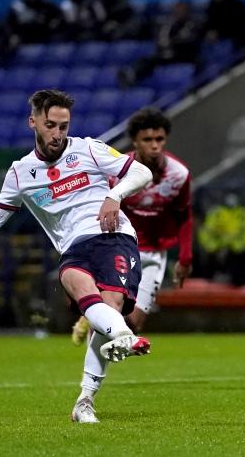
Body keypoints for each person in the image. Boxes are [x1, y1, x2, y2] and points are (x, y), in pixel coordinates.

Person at [0, 90, 153, 424]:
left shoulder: (89, 149)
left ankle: (86, 397)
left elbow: (142, 173)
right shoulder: (21, 173)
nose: (58, 133)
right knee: (75, 282)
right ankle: (122, 338)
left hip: (114, 236)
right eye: (50, 125)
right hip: (75, 246)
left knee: (107, 311)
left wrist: (114, 194)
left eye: (63, 126)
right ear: (33, 122)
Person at [71, 107, 193, 343]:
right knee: (111, 313)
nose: (155, 145)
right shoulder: (116, 172)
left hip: (155, 254)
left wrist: (185, 258)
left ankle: (91, 317)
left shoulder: (179, 174)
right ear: (135, 142)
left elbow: (184, 215)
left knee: (134, 323)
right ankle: (92, 375)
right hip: (121, 248)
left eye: (159, 139)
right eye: (147, 139)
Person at [118, 1, 201, 87]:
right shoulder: (171, 25)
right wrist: (169, 42)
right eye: (176, 11)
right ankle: (132, 74)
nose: (177, 13)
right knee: (149, 59)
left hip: (185, 55)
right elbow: (162, 39)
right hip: (169, 54)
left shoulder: (192, 24)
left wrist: (171, 42)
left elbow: (186, 41)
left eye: (180, 11)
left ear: (187, 12)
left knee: (160, 57)